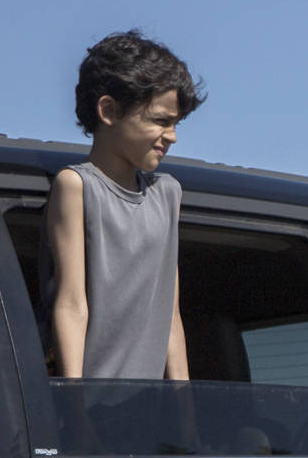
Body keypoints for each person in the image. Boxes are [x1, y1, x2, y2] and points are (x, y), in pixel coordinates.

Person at [43, 30, 204, 384]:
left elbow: (169, 314)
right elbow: (71, 304)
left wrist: (185, 410)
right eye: (161, 121)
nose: (172, 136)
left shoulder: (168, 193)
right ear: (109, 111)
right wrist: (76, 404)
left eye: (176, 124)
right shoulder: (77, 186)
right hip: (92, 400)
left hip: (147, 407)